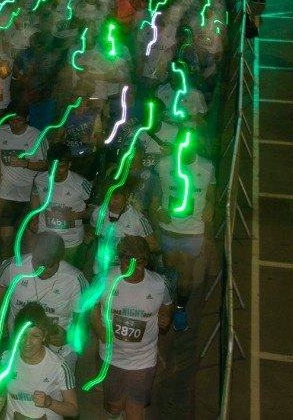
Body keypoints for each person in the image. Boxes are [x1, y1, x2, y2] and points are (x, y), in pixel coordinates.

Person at [92, 235, 174, 420]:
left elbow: (167, 305)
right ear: (119, 259)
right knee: (114, 406)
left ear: (146, 262)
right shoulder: (104, 279)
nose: (131, 268)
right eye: (126, 261)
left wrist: (166, 316)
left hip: (142, 360)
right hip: (111, 357)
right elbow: (92, 306)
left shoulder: (158, 284)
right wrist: (100, 328)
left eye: (138, 263)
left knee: (135, 411)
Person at [150, 133, 214, 334]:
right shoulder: (163, 165)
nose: (185, 149)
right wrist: (158, 213)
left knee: (186, 273)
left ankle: (180, 308)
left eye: (189, 145)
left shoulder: (207, 167)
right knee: (169, 270)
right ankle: (164, 306)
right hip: (168, 229)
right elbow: (155, 196)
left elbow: (211, 196)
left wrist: (211, 207)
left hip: (193, 231)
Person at [0, 233, 86, 366]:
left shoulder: (74, 279)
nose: (42, 271)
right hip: (20, 346)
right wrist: (1, 316)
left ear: (60, 259)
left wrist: (68, 336)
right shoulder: (13, 267)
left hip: (59, 353)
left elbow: (83, 317)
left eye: (49, 267)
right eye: (38, 265)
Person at [0, 304, 77, 420]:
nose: (27, 342)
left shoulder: (59, 366)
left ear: (44, 336)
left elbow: (73, 410)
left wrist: (49, 402)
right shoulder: (6, 359)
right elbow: (2, 389)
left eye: (35, 335)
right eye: (23, 334)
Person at [0, 111, 47, 251]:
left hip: (30, 196)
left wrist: (25, 163)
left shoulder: (37, 136)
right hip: (7, 194)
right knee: (5, 239)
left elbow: (45, 165)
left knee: (28, 239)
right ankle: (5, 262)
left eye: (19, 120)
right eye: (11, 120)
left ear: (27, 118)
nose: (14, 124)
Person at [30, 145, 93, 264]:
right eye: (52, 166)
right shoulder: (39, 179)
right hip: (45, 237)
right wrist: (34, 217)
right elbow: (35, 195)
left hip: (70, 241)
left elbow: (94, 210)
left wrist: (75, 216)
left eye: (61, 167)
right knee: (44, 269)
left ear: (69, 165)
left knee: (69, 272)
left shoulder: (81, 184)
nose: (56, 171)